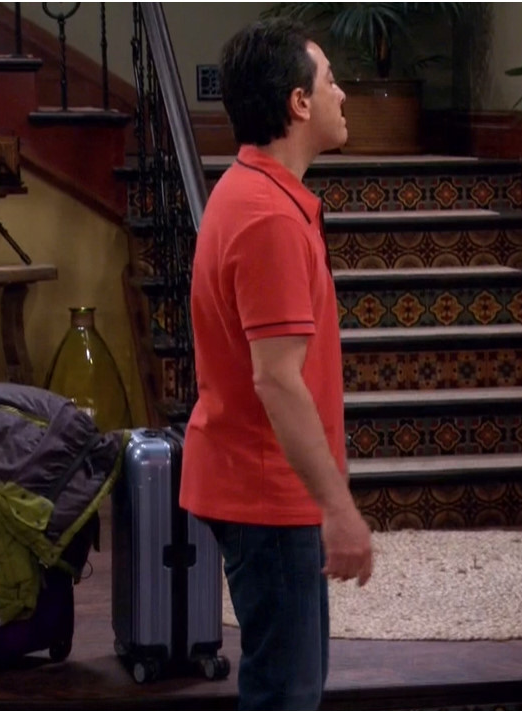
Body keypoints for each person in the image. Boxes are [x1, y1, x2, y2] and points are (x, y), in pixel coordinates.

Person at [179, 19, 373, 711]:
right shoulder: (267, 216)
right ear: (298, 102)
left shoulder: (254, 193)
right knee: (287, 692)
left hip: (261, 483)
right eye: (330, 82)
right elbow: (276, 379)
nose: (341, 95)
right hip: (268, 491)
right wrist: (338, 509)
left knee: (291, 684)